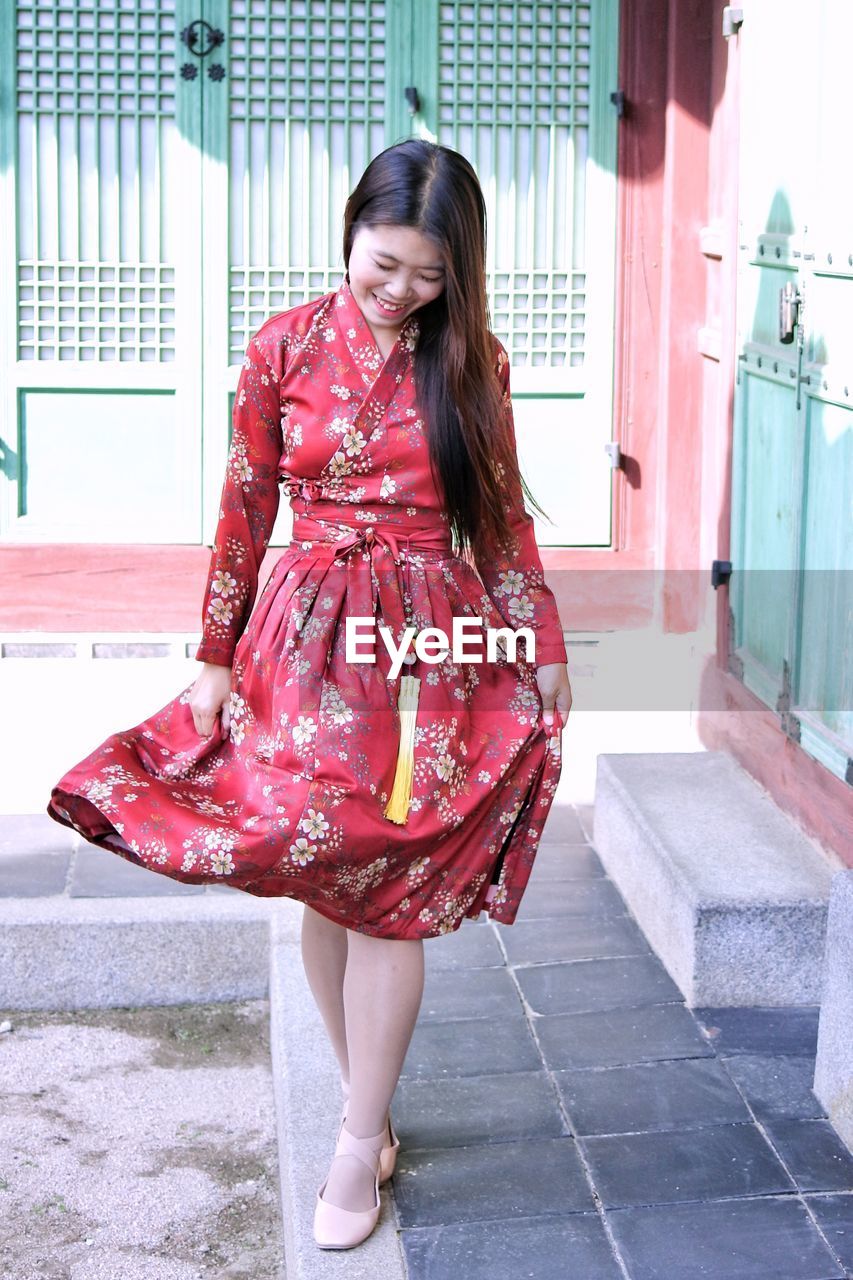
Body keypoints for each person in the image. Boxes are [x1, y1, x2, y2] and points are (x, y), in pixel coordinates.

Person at [46, 139, 573, 1250]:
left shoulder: (475, 359)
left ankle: (354, 1136)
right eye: (385, 264)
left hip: (427, 648)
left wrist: (542, 636)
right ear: (350, 231)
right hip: (304, 634)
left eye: (429, 274)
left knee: (392, 882)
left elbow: (502, 513)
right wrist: (213, 654)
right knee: (324, 874)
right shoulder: (281, 345)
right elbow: (243, 506)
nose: (401, 292)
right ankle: (360, 1102)